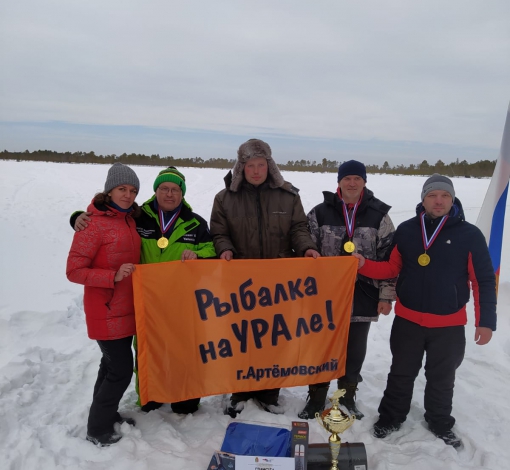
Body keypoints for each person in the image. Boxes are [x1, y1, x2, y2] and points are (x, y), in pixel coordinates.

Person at [354, 174, 497, 448]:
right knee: (401, 373)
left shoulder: (469, 235)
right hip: (408, 321)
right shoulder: (407, 230)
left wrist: (486, 321)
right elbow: (391, 269)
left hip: (449, 326)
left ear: (452, 199)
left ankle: (440, 421)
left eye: (444, 195)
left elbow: (483, 281)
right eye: (432, 195)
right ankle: (390, 417)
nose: (439, 200)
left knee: (442, 378)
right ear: (423, 199)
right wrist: (364, 265)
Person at [73, 166, 216, 414]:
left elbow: (212, 252)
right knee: (148, 353)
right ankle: (151, 396)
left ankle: (186, 398)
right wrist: (76, 216)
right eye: (163, 188)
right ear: (155, 191)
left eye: (174, 189)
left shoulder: (195, 223)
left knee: (183, 351)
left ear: (182, 193)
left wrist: (199, 255)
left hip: (180, 302)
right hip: (143, 300)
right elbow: (106, 216)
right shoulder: (136, 216)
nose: (169, 194)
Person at [210, 138, 320, 417]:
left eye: (261, 165)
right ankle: (240, 390)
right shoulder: (225, 199)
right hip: (240, 285)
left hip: (279, 285)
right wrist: (225, 250)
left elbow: (299, 228)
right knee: (241, 339)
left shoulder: (288, 195)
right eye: (250, 165)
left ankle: (269, 392)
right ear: (241, 167)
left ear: (269, 166)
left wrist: (306, 247)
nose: (256, 171)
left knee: (274, 338)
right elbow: (219, 232)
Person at [298, 160, 396, 420]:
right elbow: (305, 248)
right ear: (339, 182)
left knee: (354, 350)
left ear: (364, 181)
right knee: (321, 348)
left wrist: (386, 296)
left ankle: (347, 396)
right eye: (347, 178)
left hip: (363, 295)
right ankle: (317, 397)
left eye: (357, 178)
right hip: (324, 297)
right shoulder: (319, 212)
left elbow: (391, 260)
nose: (352, 183)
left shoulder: (379, 215)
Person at [66, 163, 141, 446]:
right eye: (122, 189)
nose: (128, 195)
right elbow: (74, 270)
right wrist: (112, 276)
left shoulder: (130, 219)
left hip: (126, 309)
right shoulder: (92, 224)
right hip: (105, 310)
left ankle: (106, 414)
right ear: (109, 190)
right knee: (121, 371)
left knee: (108, 367)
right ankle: (97, 429)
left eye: (133, 190)